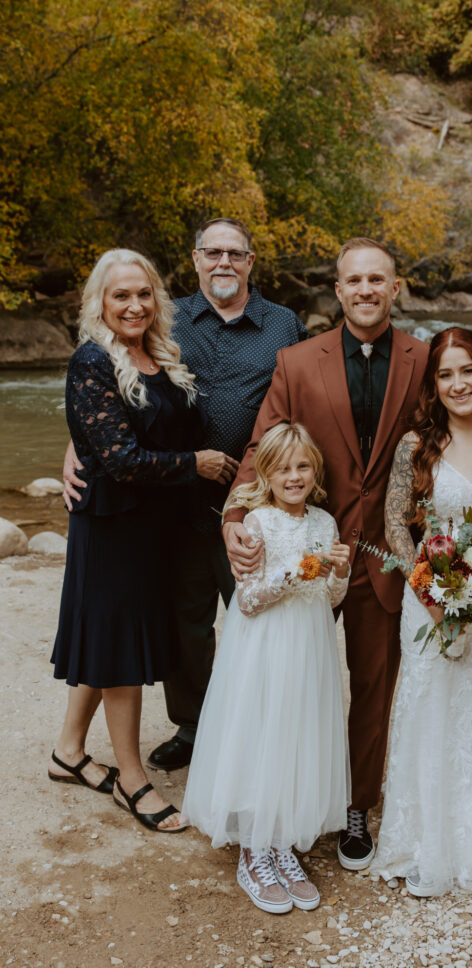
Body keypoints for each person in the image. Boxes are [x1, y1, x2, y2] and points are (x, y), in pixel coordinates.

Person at [63, 218, 308, 771]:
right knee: (185, 622)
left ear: (251, 262)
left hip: (257, 502)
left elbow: (306, 397)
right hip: (176, 504)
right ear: (196, 259)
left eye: (236, 254)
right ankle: (194, 726)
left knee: (259, 615)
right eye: (212, 252)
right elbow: (119, 392)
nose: (224, 262)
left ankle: (263, 728)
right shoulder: (164, 320)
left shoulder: (284, 324)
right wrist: (77, 444)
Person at [224, 238, 429, 870]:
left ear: (396, 288)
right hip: (303, 543)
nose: (366, 290)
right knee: (289, 678)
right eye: (354, 281)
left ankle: (355, 807)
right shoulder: (295, 362)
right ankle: (279, 803)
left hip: (382, 554)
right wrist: (234, 517)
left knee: (373, 684)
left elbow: (459, 431)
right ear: (337, 291)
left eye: (378, 279)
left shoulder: (425, 360)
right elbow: (262, 445)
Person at [50, 249, 233, 832]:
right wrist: (197, 465)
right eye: (120, 295)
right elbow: (121, 458)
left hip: (153, 528)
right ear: (99, 302)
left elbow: (151, 430)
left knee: (107, 639)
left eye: (143, 294)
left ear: (158, 299)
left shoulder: (161, 356)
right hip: (112, 527)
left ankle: (69, 751)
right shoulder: (92, 360)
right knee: (122, 653)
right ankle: (133, 781)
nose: (133, 305)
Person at [371, 327, 472, 907]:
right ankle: (431, 845)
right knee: (434, 716)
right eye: (445, 375)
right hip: (432, 605)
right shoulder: (417, 445)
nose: (458, 383)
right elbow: (395, 523)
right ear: (433, 386)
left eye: (468, 370)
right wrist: (431, 585)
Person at [183, 423, 350, 914]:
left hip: (309, 645)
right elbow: (249, 600)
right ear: (267, 473)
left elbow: (332, 598)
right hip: (264, 648)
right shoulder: (256, 523)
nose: (293, 476)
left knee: (296, 735)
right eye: (282, 468)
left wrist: (337, 572)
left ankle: (281, 845)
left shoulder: (325, 523)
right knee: (263, 735)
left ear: (315, 472)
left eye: (302, 467)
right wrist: (298, 570)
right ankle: (254, 852)